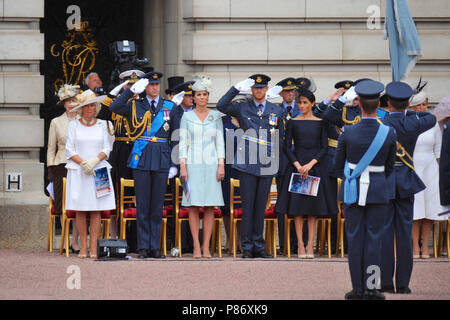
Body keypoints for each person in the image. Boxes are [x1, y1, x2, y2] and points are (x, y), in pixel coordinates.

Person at [334, 80, 397, 300]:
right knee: (375, 239)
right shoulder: (389, 132)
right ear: (379, 104)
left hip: (352, 190)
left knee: (355, 239)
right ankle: (372, 288)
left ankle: (358, 289)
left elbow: (337, 166)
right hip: (378, 190)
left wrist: (353, 178)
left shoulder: (348, 133)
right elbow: (389, 167)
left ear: (359, 104)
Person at [109, 71, 179, 259]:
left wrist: (174, 163)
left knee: (157, 206)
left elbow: (176, 136)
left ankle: (155, 247)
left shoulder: (170, 107)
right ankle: (143, 247)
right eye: (151, 84)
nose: (154, 88)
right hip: (141, 159)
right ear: (145, 87)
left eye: (157, 84)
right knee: (143, 206)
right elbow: (114, 107)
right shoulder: (134, 104)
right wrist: (130, 91)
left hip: (162, 160)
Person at [217, 74, 284, 259]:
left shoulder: (276, 110)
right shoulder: (242, 107)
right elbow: (221, 105)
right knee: (247, 206)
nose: (259, 91)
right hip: (247, 162)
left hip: (266, 163)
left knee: (260, 206)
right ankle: (247, 246)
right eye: (255, 88)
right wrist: (236, 88)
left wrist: (277, 164)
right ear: (251, 90)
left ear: (267, 89)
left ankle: (258, 245)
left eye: (262, 88)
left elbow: (280, 139)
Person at [380, 81, 436, 294]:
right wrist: (408, 113)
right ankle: (402, 284)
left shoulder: (382, 122)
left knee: (385, 234)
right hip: (405, 181)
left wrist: (396, 113)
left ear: (388, 103)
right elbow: (430, 118)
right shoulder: (413, 122)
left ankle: (385, 282)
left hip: (385, 182)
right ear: (408, 104)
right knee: (404, 234)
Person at [275, 89, 337, 259]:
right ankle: (301, 247)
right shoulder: (293, 122)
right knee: (297, 209)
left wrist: (310, 164)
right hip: (297, 168)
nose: (301, 106)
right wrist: (297, 165)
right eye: (300, 103)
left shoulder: (320, 122)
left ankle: (310, 245)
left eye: (305, 103)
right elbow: (286, 146)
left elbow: (324, 147)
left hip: (314, 167)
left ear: (312, 104)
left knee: (312, 210)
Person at [97, 63, 144, 248]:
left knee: (137, 194)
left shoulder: (144, 103)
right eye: (127, 85)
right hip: (120, 151)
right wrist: (112, 94)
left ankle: (136, 237)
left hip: (139, 149)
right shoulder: (116, 103)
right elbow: (102, 116)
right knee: (118, 192)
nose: (131, 88)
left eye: (134, 84)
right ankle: (116, 234)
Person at [65, 90, 116, 259]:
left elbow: (107, 148)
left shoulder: (103, 124)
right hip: (79, 170)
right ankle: (83, 248)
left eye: (92, 105)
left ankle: (94, 247)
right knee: (80, 209)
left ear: (96, 107)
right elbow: (69, 149)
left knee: (97, 209)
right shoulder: (73, 125)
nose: (89, 108)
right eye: (86, 105)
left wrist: (94, 161)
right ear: (81, 108)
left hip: (99, 169)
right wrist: (83, 163)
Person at [179, 76, 225, 258]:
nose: (202, 97)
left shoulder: (215, 116)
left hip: (212, 163)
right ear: (193, 97)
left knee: (209, 206)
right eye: (199, 94)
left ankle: (206, 246)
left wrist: (221, 165)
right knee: (193, 205)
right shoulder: (186, 116)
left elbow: (220, 142)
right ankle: (196, 246)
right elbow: (182, 142)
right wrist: (182, 166)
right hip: (192, 163)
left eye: (205, 94)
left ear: (208, 96)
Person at [409, 82, 446, 259]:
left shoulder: (433, 124)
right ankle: (415, 247)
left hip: (431, 170)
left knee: (429, 211)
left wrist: (442, 175)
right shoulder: (406, 121)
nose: (423, 108)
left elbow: (438, 150)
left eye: (425, 104)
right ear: (411, 106)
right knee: (415, 211)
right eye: (419, 104)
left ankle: (426, 249)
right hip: (413, 167)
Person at [47, 84, 81, 253]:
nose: (70, 104)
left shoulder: (84, 120)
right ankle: (65, 239)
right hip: (61, 165)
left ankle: (75, 240)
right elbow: (50, 148)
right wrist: (50, 169)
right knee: (63, 203)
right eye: (67, 101)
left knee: (78, 203)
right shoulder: (56, 122)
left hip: (80, 165)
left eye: (73, 100)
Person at [275, 77, 301, 254]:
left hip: (301, 164)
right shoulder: (275, 111)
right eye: (286, 91)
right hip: (282, 164)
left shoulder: (304, 109)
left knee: (301, 203)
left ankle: (301, 243)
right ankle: (284, 244)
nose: (289, 94)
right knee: (282, 204)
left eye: (292, 91)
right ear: (281, 93)